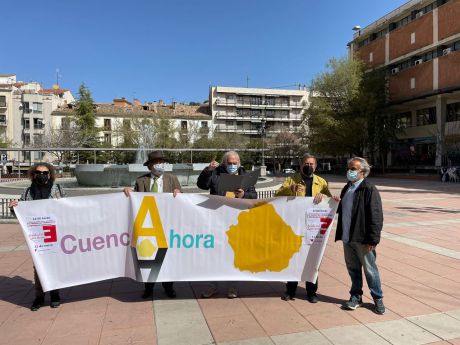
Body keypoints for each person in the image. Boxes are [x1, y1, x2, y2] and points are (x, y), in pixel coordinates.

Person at [197, 150, 257, 298]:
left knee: (233, 253)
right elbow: (201, 185)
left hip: (237, 220)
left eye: (234, 163)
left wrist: (244, 195)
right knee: (215, 253)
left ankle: (232, 286)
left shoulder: (246, 176)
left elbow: (254, 195)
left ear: (239, 163)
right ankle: (212, 285)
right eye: (229, 163)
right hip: (217, 219)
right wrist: (208, 170)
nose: (232, 165)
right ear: (224, 163)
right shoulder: (216, 173)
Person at [275, 153, 333, 303]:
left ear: (316, 166)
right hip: (295, 224)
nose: (309, 166)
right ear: (300, 165)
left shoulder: (321, 182)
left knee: (313, 258)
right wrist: (290, 189)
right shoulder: (291, 179)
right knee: (293, 257)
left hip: (313, 226)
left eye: (311, 164)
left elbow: (330, 202)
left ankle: (312, 292)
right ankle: (290, 290)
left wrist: (325, 197)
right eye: (306, 164)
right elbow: (277, 194)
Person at [123, 150, 181, 299]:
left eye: (162, 161)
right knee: (147, 255)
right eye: (156, 162)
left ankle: (169, 286)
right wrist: (128, 191)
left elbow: (181, 198)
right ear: (150, 166)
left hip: (167, 223)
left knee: (167, 256)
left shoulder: (172, 179)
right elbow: (134, 199)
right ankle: (148, 288)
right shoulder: (141, 181)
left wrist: (178, 192)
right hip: (148, 224)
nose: (159, 164)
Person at [9, 163, 66, 311]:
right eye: (39, 172)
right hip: (37, 234)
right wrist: (14, 207)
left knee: (54, 264)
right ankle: (39, 297)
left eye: (45, 172)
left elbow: (67, 210)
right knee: (38, 265)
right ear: (33, 174)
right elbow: (20, 213)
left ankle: (55, 294)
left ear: (50, 174)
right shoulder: (28, 192)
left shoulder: (58, 189)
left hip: (54, 232)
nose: (42, 175)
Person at [335, 157, 385, 315]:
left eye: (354, 168)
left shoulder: (369, 188)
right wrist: (335, 203)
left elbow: (376, 215)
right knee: (353, 269)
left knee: (370, 270)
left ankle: (378, 299)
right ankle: (356, 297)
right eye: (349, 168)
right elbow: (344, 210)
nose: (350, 171)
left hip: (363, 238)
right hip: (347, 236)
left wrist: (373, 239)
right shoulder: (347, 187)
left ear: (363, 171)